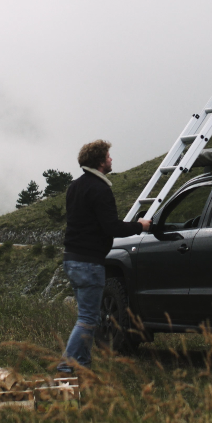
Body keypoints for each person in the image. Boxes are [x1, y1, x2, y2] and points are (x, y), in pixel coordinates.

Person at [57, 140, 151, 373]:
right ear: (100, 161)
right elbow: (111, 227)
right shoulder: (100, 189)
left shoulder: (75, 186)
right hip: (89, 262)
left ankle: (82, 367)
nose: (111, 160)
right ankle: (67, 369)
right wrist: (140, 226)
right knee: (88, 319)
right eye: (108, 156)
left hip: (72, 258)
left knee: (89, 317)